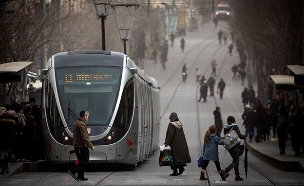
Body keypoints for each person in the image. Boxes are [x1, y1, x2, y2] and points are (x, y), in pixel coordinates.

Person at [69, 110, 94, 181]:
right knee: (85, 161)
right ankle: (73, 170)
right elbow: (84, 137)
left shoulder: (76, 123)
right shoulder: (81, 124)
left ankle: (81, 176)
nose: (88, 118)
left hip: (77, 145)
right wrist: (90, 145)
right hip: (81, 146)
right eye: (87, 117)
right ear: (84, 116)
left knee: (81, 160)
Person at [222, 116, 247, 181]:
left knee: (235, 160)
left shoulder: (225, 128)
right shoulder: (235, 126)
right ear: (234, 121)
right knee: (236, 161)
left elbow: (226, 137)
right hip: (235, 146)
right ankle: (225, 170)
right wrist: (245, 137)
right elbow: (240, 135)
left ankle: (237, 176)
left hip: (229, 147)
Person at [0, 107, 15, 174]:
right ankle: (5, 167)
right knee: (6, 153)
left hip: (1, 140)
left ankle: (3, 168)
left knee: (2, 154)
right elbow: (13, 132)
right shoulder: (11, 123)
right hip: (8, 140)